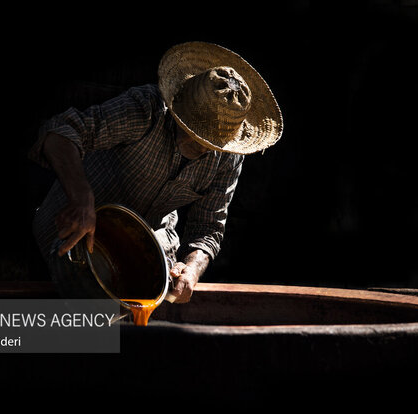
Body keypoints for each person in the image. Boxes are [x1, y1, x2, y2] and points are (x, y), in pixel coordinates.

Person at [29, 41, 283, 304]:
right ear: (179, 112)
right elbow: (60, 133)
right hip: (65, 243)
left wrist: (192, 268)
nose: (203, 148)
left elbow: (207, 228)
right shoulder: (146, 108)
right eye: (197, 135)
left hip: (136, 266)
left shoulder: (229, 152)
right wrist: (82, 197)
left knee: (121, 335)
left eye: (212, 143)